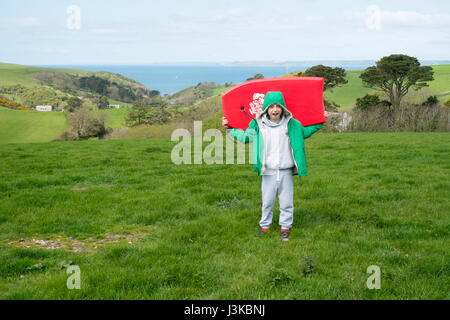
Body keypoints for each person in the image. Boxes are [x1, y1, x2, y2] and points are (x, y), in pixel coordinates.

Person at [222, 91, 327, 241]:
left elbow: (306, 131)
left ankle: (285, 228)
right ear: (266, 109)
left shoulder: (292, 124)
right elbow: (245, 137)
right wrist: (230, 129)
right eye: (271, 107)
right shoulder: (258, 124)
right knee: (267, 201)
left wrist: (321, 120)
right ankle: (265, 227)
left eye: (278, 106)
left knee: (286, 202)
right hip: (268, 171)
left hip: (285, 170)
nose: (275, 110)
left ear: (283, 108)